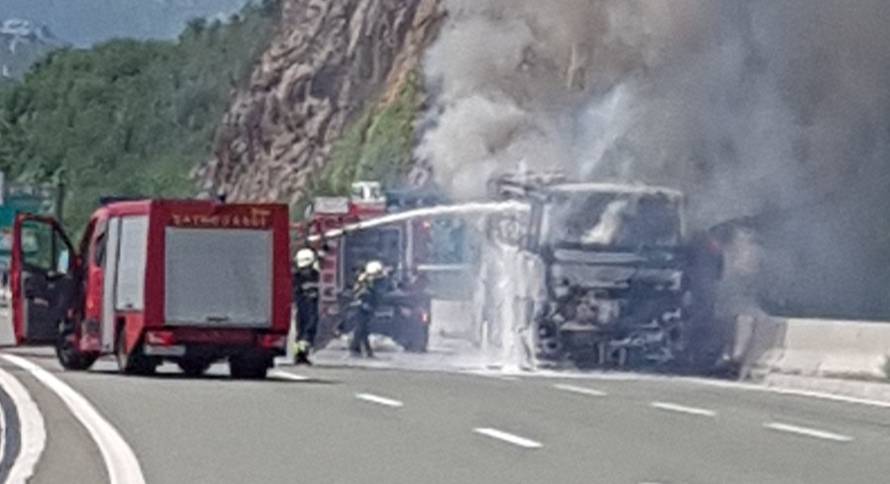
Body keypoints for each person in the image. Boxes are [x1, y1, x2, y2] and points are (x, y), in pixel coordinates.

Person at [349, 260, 386, 358]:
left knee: (364, 329)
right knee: (361, 328)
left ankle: (365, 350)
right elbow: (358, 293)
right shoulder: (364, 281)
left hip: (367, 306)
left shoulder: (373, 281)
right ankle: (355, 348)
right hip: (361, 307)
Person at [293, 248, 320, 365]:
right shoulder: (296, 277)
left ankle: (301, 354)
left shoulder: (315, 274)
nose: (306, 271)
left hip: (311, 305)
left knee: (307, 330)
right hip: (303, 305)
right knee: (305, 329)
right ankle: (300, 354)